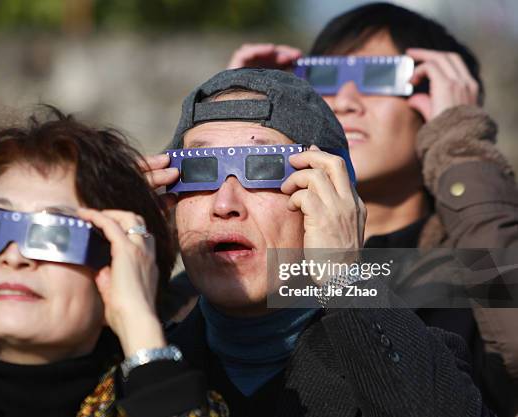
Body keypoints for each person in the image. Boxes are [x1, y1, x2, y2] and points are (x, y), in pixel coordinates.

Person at [143, 67, 494, 417]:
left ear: (334, 199)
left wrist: (344, 277)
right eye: (197, 171)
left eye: (264, 168)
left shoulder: (416, 355)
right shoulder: (137, 366)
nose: (225, 204)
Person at [222, 3, 518, 415]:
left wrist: (461, 146)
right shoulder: (273, 262)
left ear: (442, 103)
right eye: (323, 78)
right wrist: (233, 119)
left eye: (379, 76)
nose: (344, 101)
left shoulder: (474, 266)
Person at [0, 106, 227, 417]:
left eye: (55, 236)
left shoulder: (177, 403)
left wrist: (139, 326)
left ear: (123, 271)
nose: (14, 256)